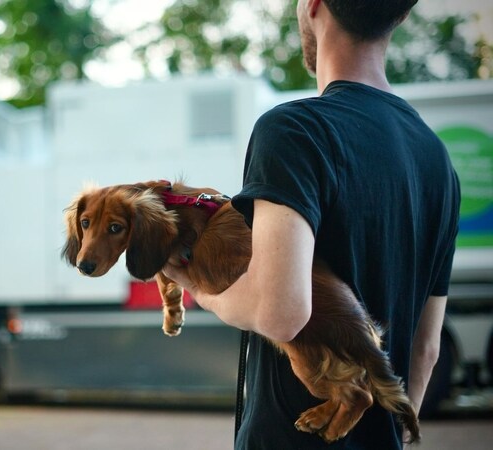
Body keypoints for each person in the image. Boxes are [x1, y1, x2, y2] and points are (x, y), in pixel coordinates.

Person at [162, 0, 460, 448]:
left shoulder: (294, 130)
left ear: (314, 5)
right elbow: (426, 348)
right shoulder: (437, 159)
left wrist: (198, 289)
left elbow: (280, 313)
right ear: (399, 16)